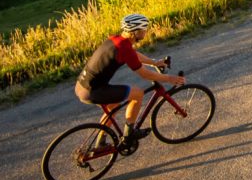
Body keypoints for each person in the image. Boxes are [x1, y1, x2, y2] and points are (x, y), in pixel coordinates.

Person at [74, 13, 185, 144]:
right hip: (93, 91)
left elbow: (133, 54)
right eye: (144, 29)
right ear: (135, 32)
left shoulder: (116, 39)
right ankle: (129, 134)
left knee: (113, 107)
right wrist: (169, 78)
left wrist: (154, 62)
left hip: (81, 86)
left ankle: (100, 142)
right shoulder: (124, 48)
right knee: (137, 94)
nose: (146, 31)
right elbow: (144, 74)